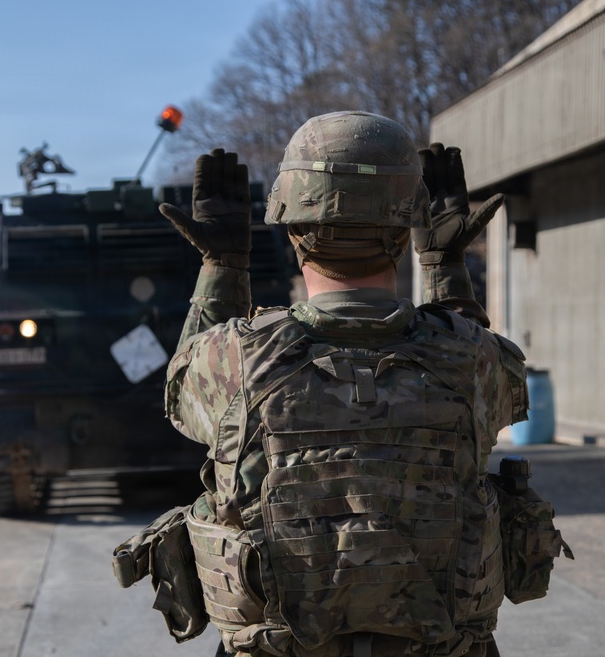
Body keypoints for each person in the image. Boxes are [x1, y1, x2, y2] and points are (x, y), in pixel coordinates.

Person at [157, 112, 534, 657]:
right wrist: (445, 266)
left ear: (290, 225)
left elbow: (179, 394)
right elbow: (473, 363)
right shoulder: (471, 357)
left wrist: (223, 266)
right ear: (407, 228)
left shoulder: (233, 357)